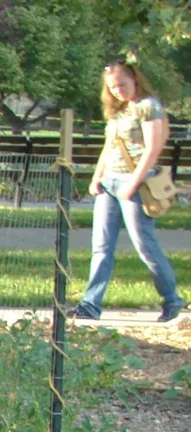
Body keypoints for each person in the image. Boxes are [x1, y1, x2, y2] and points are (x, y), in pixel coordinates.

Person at [75, 60, 184, 323]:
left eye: (122, 84)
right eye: (112, 88)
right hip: (109, 183)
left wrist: (132, 184)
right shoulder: (119, 111)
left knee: (144, 244)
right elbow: (109, 147)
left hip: (135, 184)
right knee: (100, 246)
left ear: (134, 79)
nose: (118, 91)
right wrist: (96, 177)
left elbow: (153, 149)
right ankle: (90, 305)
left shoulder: (149, 106)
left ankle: (172, 300)